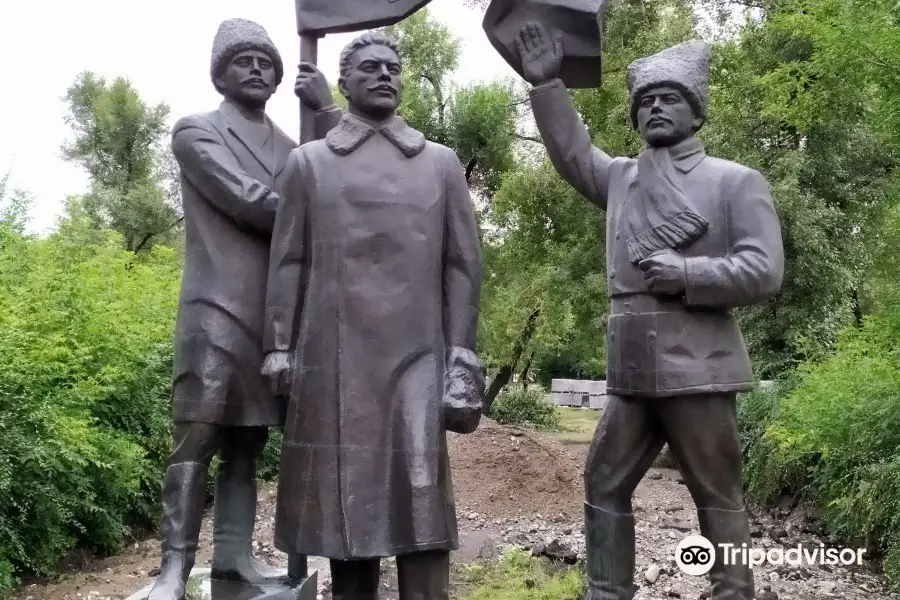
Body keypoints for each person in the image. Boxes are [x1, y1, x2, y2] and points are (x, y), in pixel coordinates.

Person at [515, 22, 784, 600]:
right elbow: (571, 154)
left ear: (696, 113)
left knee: (716, 492)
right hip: (632, 367)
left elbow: (764, 270)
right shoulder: (620, 178)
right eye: (646, 103)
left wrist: (688, 273)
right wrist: (546, 85)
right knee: (603, 480)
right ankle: (606, 591)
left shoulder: (735, 183)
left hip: (700, 365)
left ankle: (733, 592)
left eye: (670, 99)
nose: (656, 109)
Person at [261, 31, 484, 600]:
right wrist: (279, 345)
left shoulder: (440, 164)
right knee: (346, 514)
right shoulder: (308, 164)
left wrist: (461, 356)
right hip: (333, 361)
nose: (385, 74)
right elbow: (287, 261)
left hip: (417, 358)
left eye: (393, 67)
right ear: (345, 81)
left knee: (422, 506)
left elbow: (462, 265)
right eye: (370, 67)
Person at [148, 18, 340, 600]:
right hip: (213, 310)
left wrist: (326, 116)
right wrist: (311, 214)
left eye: (266, 60)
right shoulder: (195, 132)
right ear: (220, 72)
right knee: (196, 440)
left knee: (246, 443)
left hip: (274, 320)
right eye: (243, 60)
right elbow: (248, 200)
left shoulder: (295, 147)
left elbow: (335, 184)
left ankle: (233, 559)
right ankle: (173, 569)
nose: (257, 68)